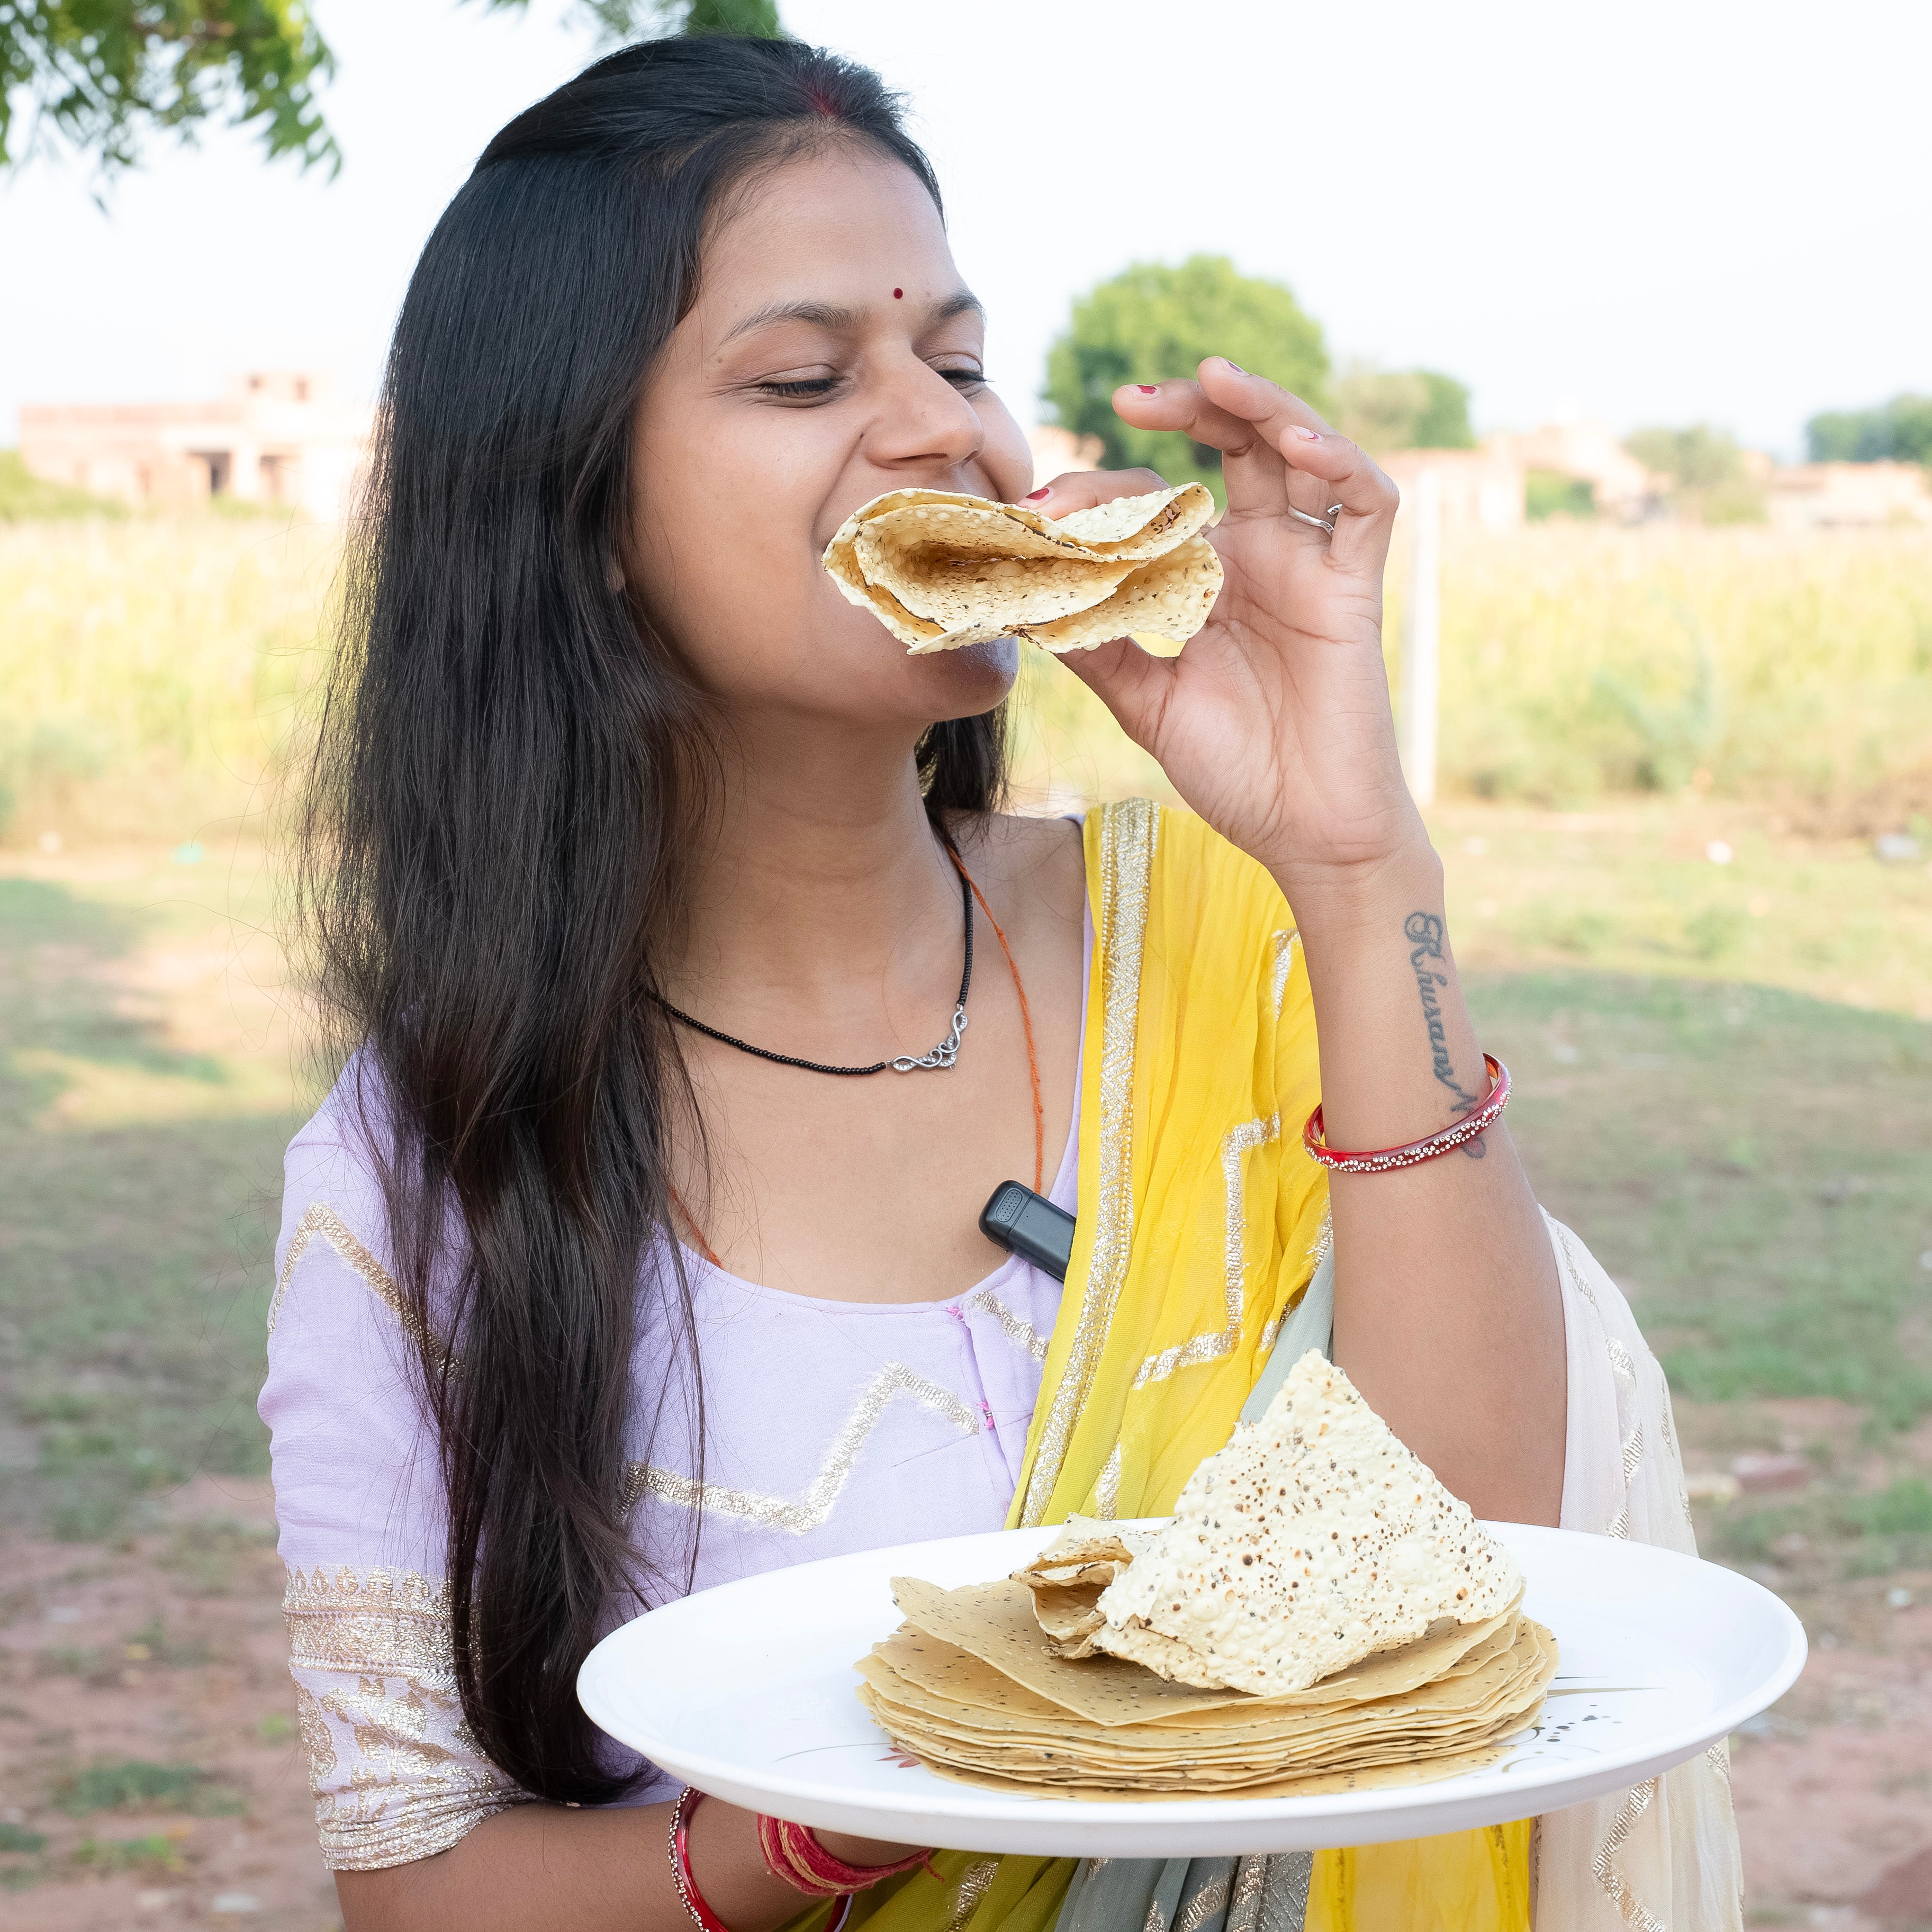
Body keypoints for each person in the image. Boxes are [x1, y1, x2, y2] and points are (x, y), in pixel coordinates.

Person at [266, 33, 1740, 1932]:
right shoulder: (427, 1159)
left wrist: (1355, 864)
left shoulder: (1222, 938)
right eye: (807, 375)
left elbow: (1472, 1540)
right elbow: (420, 1886)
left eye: (958, 362)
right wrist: (879, 1795)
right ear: (577, 519)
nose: (945, 429)